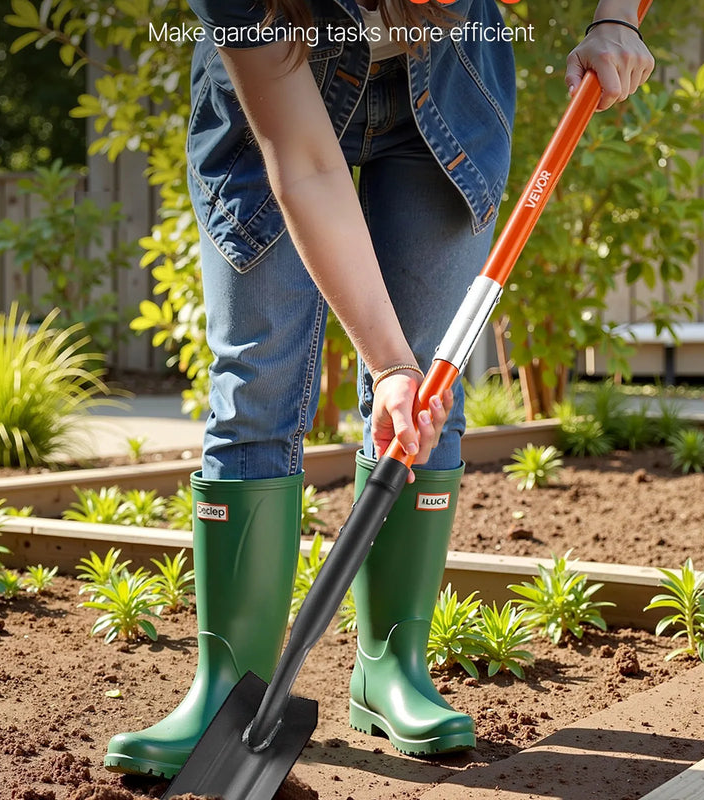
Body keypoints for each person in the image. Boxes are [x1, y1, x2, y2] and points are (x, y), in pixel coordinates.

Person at [104, 0, 654, 777]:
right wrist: (386, 362)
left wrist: (617, 18)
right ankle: (229, 688)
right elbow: (305, 166)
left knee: (432, 389)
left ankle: (392, 666)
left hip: (451, 90)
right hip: (274, 98)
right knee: (254, 385)